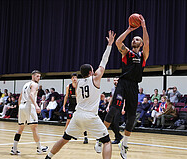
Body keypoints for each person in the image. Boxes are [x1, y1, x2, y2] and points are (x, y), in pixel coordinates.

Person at [45, 30, 115, 159]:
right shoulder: (95, 79)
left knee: (64, 138)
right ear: (90, 72)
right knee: (106, 141)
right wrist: (109, 44)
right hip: (90, 116)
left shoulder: (77, 84)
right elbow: (104, 61)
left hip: (77, 115)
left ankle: (48, 156)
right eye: (93, 70)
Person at [104, 15, 149, 159]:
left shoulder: (143, 55)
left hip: (134, 86)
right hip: (123, 83)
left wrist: (143, 27)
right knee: (114, 109)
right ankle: (101, 138)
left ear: (140, 44)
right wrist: (129, 29)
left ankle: (124, 145)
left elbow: (147, 41)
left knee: (131, 118)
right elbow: (118, 42)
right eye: (134, 39)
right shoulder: (127, 53)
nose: (135, 40)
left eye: (138, 39)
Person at [10, 70, 48, 155]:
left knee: (20, 128)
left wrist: (20, 107)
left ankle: (14, 148)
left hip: (22, 106)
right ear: (33, 76)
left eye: (39, 76)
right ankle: (39, 148)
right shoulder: (35, 84)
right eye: (37, 76)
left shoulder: (25, 84)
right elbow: (31, 95)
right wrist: (37, 106)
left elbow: (20, 97)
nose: (39, 78)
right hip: (29, 106)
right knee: (34, 128)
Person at [62, 73, 88, 144]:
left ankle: (85, 137)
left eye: (75, 77)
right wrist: (64, 106)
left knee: (82, 121)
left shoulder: (80, 85)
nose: (74, 79)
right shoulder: (68, 86)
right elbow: (66, 96)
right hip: (71, 105)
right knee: (68, 121)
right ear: (71, 79)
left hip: (79, 105)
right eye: (73, 77)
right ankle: (64, 135)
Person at [106, 77, 125, 144]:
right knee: (110, 123)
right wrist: (108, 106)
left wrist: (123, 108)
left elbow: (125, 99)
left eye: (117, 80)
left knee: (115, 122)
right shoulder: (113, 88)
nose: (116, 81)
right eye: (114, 80)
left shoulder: (122, 88)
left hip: (119, 106)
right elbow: (111, 97)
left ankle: (117, 138)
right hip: (113, 106)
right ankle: (119, 135)